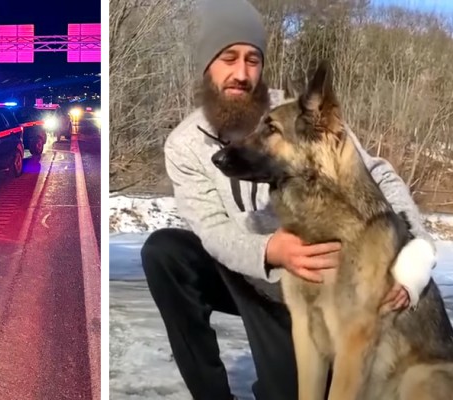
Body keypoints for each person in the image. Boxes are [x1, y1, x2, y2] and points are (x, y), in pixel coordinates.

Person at [139, 0, 438, 399]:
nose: (242, 73)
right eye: (229, 58)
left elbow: (377, 173)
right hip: (245, 273)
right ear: (207, 65)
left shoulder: (294, 113)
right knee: (164, 253)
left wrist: (416, 253)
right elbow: (213, 230)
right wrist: (270, 250)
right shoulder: (184, 144)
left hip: (310, 281)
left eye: (252, 60)